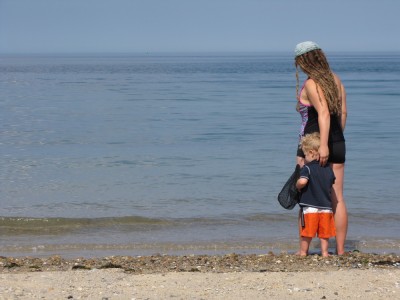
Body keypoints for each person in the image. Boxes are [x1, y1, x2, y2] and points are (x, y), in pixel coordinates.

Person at [294, 41, 348, 255]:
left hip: (312, 146)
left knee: (305, 196)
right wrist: (335, 139)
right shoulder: (335, 79)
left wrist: (322, 145)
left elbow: (323, 113)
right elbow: (342, 114)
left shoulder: (311, 83)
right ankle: (341, 250)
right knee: (338, 198)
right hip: (337, 141)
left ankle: (303, 250)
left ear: (303, 61)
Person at [296, 132, 336, 257]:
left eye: (305, 154)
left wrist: (297, 185)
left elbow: (303, 181)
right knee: (325, 233)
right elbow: (331, 182)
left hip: (309, 206)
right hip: (326, 207)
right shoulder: (328, 169)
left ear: (312, 153)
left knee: (307, 231)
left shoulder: (307, 168)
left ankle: (303, 252)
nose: (304, 158)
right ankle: (324, 252)